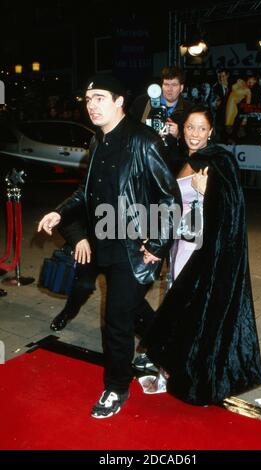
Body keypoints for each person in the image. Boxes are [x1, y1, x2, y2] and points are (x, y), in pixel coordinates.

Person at [38, 73, 182, 419]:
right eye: (88, 100)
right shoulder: (96, 142)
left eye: (100, 98)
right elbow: (86, 194)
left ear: (119, 101)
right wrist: (59, 213)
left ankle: (116, 387)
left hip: (135, 249)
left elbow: (170, 198)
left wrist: (158, 246)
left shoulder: (143, 141)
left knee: (116, 319)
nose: (92, 106)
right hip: (103, 241)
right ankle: (167, 351)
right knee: (133, 310)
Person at [140, 106, 261, 404]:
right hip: (177, 243)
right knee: (175, 301)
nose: (194, 134)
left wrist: (204, 192)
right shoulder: (184, 159)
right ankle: (170, 368)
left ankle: (175, 373)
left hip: (199, 249)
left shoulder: (218, 160)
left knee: (183, 307)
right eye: (189, 127)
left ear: (211, 132)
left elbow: (228, 210)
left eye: (201, 128)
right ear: (182, 129)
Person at [130, 66, 193, 174]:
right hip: (144, 165)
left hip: (173, 169)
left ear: (181, 87)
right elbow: (128, 129)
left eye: (174, 85)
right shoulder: (143, 103)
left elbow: (195, 145)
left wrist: (179, 134)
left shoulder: (190, 110)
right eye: (166, 84)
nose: (169, 89)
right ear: (161, 85)